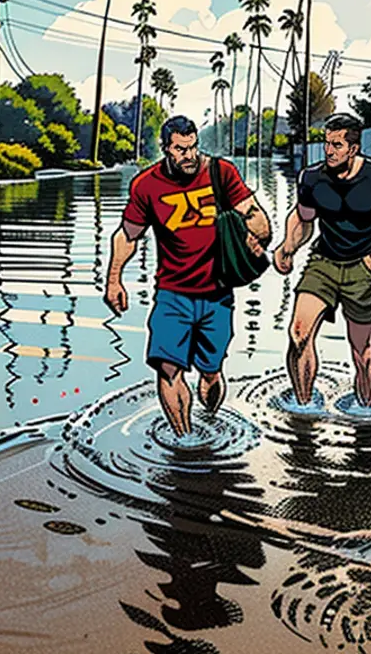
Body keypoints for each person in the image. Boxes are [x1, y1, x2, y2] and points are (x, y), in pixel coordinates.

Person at [105, 116, 271, 436]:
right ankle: (185, 440)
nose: (189, 155)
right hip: (172, 294)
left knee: (210, 373)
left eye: (193, 146)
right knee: (168, 369)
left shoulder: (221, 173)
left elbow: (254, 213)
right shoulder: (147, 185)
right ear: (166, 149)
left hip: (217, 294)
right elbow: (127, 235)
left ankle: (209, 420)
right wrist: (114, 279)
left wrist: (258, 236)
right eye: (181, 149)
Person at [272, 113, 371, 409]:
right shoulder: (312, 178)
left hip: (362, 268)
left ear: (354, 148)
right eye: (327, 143)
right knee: (298, 334)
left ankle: (366, 415)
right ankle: (304, 409)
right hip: (323, 262)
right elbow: (303, 218)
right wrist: (287, 247)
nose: (329, 151)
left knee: (362, 353)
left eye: (337, 145)